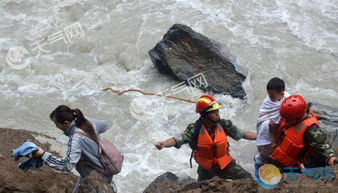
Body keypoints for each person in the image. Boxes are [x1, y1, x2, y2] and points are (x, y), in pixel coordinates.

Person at [154, 94, 257, 181]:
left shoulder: (224, 124)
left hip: (225, 163)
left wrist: (260, 136)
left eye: (217, 111)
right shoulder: (195, 129)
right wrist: (164, 144)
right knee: (202, 188)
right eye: (213, 112)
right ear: (204, 115)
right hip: (206, 168)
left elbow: (243, 134)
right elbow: (177, 139)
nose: (217, 114)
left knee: (247, 179)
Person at [32, 105, 114, 193]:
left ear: (66, 123)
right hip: (104, 169)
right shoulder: (86, 120)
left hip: (95, 179)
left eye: (57, 124)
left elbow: (67, 165)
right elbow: (105, 125)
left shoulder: (76, 139)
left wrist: (44, 155)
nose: (56, 127)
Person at [267, 95, 338, 169]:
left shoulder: (312, 131)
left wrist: (333, 160)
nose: (285, 121)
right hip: (283, 154)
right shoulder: (292, 118)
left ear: (297, 118)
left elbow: (323, 149)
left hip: (300, 162)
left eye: (287, 119)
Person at [254, 77, 288, 166]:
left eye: (272, 95)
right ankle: (259, 158)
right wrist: (271, 128)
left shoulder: (287, 98)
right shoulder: (268, 102)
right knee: (268, 145)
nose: (269, 97)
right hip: (266, 124)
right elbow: (264, 116)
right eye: (269, 95)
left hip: (279, 125)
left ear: (282, 94)